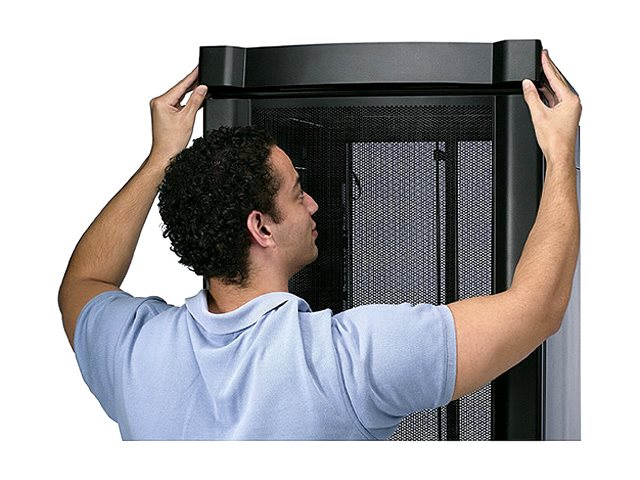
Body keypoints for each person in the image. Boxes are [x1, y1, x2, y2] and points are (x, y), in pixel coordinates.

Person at [58, 50, 581, 440]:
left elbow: (83, 281)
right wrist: (560, 156)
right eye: (297, 192)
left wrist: (161, 158)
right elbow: (537, 308)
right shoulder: (345, 362)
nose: (313, 204)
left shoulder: (133, 352)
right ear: (262, 228)